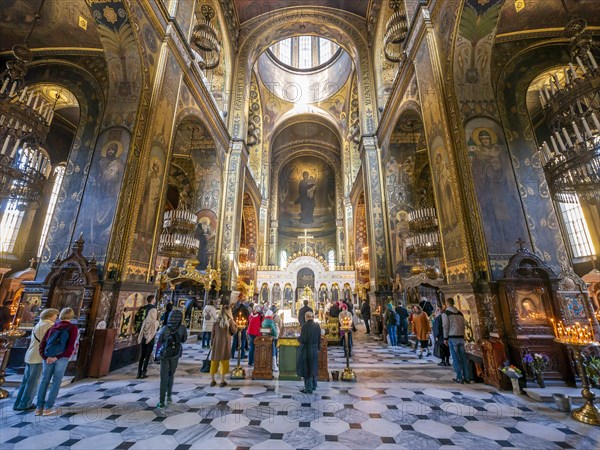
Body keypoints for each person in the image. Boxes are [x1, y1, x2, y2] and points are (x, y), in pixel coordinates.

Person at [13, 308, 59, 411]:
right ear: (50, 316)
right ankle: (25, 404)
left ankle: (18, 403)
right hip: (38, 357)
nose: (56, 317)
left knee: (26, 381)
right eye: (55, 315)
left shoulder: (38, 324)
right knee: (33, 382)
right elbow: (50, 342)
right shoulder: (49, 326)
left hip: (30, 355)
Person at [36, 307, 79, 416]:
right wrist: (58, 357)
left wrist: (45, 357)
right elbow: (70, 347)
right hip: (61, 358)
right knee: (56, 382)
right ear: (72, 316)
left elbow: (43, 343)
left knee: (44, 381)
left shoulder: (53, 326)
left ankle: (38, 408)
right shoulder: (72, 328)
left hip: (48, 357)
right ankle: (48, 408)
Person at [156, 309, 187, 408]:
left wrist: (156, 354)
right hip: (176, 354)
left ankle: (161, 401)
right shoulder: (182, 328)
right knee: (171, 374)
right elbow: (184, 340)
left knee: (163, 377)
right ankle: (169, 396)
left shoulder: (165, 328)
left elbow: (159, 341)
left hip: (165, 355)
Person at [442, 297, 471, 383]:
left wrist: (445, 338)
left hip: (452, 337)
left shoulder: (446, 313)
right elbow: (463, 325)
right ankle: (467, 378)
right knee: (463, 358)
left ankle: (459, 377)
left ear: (447, 304)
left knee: (455, 359)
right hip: (461, 337)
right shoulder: (460, 313)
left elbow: (446, 326)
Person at [210, 303, 237, 387]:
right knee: (224, 361)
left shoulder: (216, 320)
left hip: (216, 342)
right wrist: (235, 326)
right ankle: (222, 381)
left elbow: (213, 333)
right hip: (225, 343)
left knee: (214, 361)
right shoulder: (229, 320)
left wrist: (211, 343)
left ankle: (212, 380)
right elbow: (234, 331)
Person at [297, 311, 321, 394]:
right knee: (313, 368)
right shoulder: (317, 325)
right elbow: (319, 338)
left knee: (307, 369)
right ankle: (314, 386)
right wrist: (318, 348)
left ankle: (308, 389)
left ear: (306, 317)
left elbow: (303, 340)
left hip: (307, 350)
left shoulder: (305, 326)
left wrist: (298, 338)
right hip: (314, 349)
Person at [137, 308, 159, 379]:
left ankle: (138, 373)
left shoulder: (145, 321)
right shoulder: (155, 322)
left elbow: (142, 330)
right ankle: (144, 372)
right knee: (147, 356)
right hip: (150, 340)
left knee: (142, 356)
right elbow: (156, 330)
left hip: (143, 339)